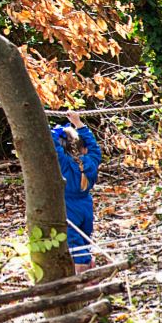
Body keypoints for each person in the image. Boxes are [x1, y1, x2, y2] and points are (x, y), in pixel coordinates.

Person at [52, 109, 102, 274]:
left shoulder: (64, 164)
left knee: (75, 245)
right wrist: (78, 123)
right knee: (85, 239)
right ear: (83, 148)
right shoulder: (92, 160)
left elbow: (51, 141)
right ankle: (89, 269)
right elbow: (94, 146)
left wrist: (57, 130)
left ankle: (82, 280)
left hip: (69, 207)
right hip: (86, 205)